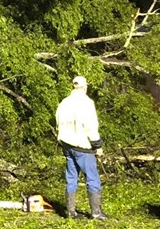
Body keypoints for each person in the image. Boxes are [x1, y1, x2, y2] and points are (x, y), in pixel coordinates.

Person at [56, 75, 107, 220]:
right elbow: (90, 126)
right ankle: (96, 212)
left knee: (71, 178)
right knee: (92, 178)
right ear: (85, 86)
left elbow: (58, 122)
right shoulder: (86, 103)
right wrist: (97, 145)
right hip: (82, 146)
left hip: (66, 145)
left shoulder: (64, 103)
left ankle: (70, 212)